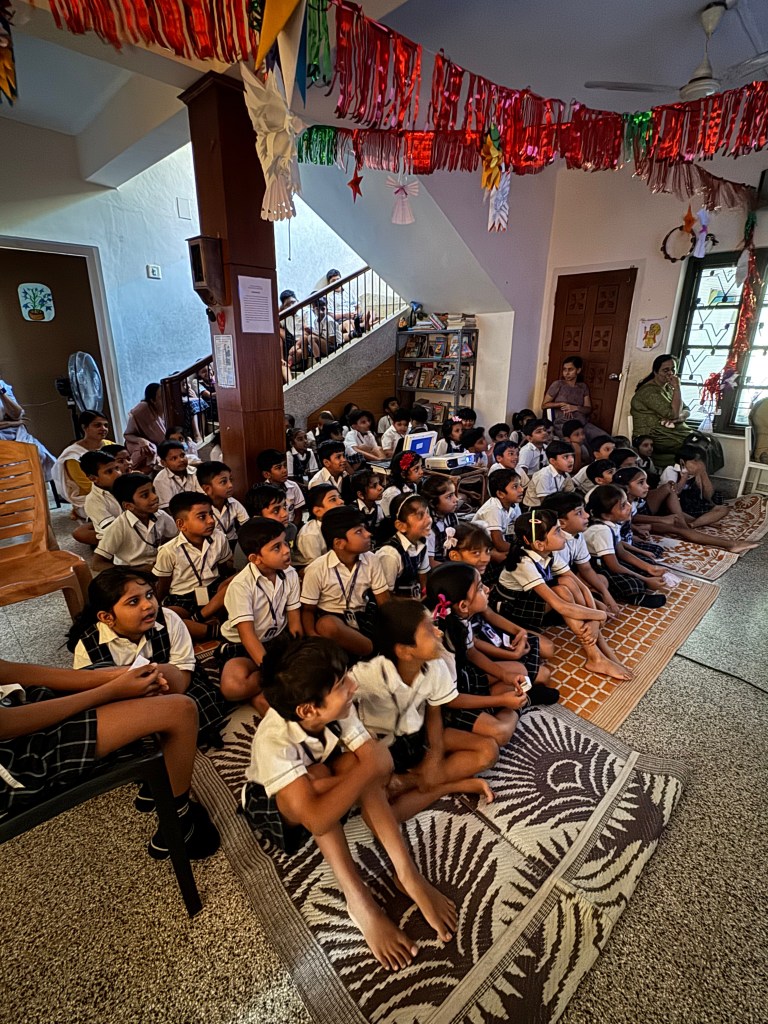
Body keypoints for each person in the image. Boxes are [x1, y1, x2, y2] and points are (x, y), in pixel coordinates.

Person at [242, 636, 456, 969]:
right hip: (275, 806)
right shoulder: (274, 742)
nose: (353, 685)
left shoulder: (337, 708)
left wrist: (367, 770)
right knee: (333, 781)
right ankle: (359, 902)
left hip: (318, 775)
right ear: (308, 709)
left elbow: (379, 763)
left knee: (344, 770)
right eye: (342, 683)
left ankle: (407, 873)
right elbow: (317, 819)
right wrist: (367, 771)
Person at [0, 656, 219, 860]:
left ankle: (155, 786)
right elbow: (7, 725)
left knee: (165, 674)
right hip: (13, 761)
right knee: (181, 711)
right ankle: (177, 825)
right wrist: (111, 690)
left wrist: (114, 676)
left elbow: (5, 670)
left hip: (12, 703)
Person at [350, 601, 497, 817]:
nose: (439, 632)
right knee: (387, 813)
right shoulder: (369, 674)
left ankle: (408, 782)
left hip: (418, 736)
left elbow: (434, 712)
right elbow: (340, 705)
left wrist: (434, 758)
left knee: (488, 750)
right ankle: (446, 785)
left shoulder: (435, 664)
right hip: (384, 747)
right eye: (429, 630)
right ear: (405, 651)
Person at [68, 568, 226, 747]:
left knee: (200, 699)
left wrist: (162, 693)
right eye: (134, 602)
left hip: (172, 686)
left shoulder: (169, 619)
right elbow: (95, 695)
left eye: (149, 595)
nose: (148, 605)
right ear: (107, 617)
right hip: (124, 701)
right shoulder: (88, 648)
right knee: (113, 732)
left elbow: (183, 669)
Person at [493, 509, 632, 679]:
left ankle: (602, 650)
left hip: (530, 599)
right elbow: (560, 606)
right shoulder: (524, 563)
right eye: (558, 531)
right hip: (511, 609)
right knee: (562, 592)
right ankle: (595, 657)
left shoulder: (549, 553)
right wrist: (599, 615)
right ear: (539, 544)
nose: (563, 535)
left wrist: (594, 620)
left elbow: (581, 586)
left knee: (567, 582)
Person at [424, 564, 530, 746]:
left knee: (518, 671)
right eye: (480, 587)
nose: (487, 589)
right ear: (463, 605)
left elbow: (471, 652)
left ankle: (500, 704)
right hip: (443, 703)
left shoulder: (457, 619)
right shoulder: (441, 642)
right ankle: (511, 706)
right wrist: (501, 700)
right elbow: (451, 700)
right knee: (501, 733)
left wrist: (504, 675)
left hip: (461, 679)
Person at [446, 522, 556, 690]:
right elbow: (472, 644)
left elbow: (489, 614)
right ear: (455, 555)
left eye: (487, 551)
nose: (485, 558)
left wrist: (520, 631)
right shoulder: (453, 586)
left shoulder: (474, 575)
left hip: (487, 631)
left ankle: (515, 682)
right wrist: (510, 655)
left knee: (548, 649)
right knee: (542, 675)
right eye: (476, 553)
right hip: (474, 648)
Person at [218, 517, 302, 706]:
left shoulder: (290, 574)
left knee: (312, 663)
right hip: (243, 645)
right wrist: (272, 672)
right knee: (233, 687)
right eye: (276, 547)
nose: (286, 550)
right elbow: (248, 636)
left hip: (277, 640)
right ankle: (270, 681)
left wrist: (299, 652)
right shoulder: (241, 586)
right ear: (255, 559)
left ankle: (263, 690)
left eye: (285, 543)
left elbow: (295, 622)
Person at [300, 506, 389, 658]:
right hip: (333, 618)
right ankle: (370, 652)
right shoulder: (317, 569)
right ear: (339, 543)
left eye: (365, 528)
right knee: (327, 625)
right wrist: (312, 636)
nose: (368, 534)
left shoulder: (371, 559)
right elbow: (308, 610)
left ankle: (367, 651)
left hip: (362, 615)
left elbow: (384, 601)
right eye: (359, 532)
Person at [615, 466, 758, 554]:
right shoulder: (620, 502)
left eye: (645, 482)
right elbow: (632, 519)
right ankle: (731, 545)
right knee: (678, 528)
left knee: (669, 488)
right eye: (641, 483)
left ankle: (686, 523)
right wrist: (662, 520)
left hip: (642, 517)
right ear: (626, 487)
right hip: (636, 524)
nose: (647, 486)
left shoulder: (635, 498)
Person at [153, 493, 233, 642]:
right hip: (183, 597)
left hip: (214, 591)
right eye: (202, 517)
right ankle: (215, 630)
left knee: (233, 583)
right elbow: (163, 586)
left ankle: (198, 622)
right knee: (165, 617)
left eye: (211, 514)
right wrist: (158, 605)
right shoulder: (168, 551)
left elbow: (224, 572)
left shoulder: (219, 538)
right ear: (181, 524)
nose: (211, 520)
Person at [540, 493, 622, 620]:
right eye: (579, 513)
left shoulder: (577, 535)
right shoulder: (553, 544)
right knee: (568, 588)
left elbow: (586, 568)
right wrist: (596, 605)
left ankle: (586, 605)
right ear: (561, 523)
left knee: (602, 580)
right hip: (550, 587)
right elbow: (562, 580)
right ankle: (581, 610)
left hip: (568, 579)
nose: (587, 515)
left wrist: (606, 595)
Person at [583, 486, 668, 607]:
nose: (629, 506)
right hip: (598, 566)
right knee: (630, 583)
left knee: (646, 563)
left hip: (611, 560)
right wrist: (645, 580)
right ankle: (635, 597)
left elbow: (622, 552)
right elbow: (613, 566)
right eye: (623, 506)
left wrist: (649, 568)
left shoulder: (612, 523)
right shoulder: (601, 530)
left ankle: (643, 580)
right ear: (606, 515)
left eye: (627, 502)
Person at [93, 474, 177, 573]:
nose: (154, 497)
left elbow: (176, 535)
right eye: (145, 495)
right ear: (129, 506)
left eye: (153, 491)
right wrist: (136, 570)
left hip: (157, 566)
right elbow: (97, 564)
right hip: (130, 571)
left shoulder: (160, 515)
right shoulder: (118, 527)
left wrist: (164, 553)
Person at [630, 355, 692, 468]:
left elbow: (686, 409)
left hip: (668, 430)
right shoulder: (648, 392)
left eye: (673, 369)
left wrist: (679, 418)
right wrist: (677, 388)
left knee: (704, 441)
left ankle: (694, 476)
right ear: (655, 372)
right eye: (665, 370)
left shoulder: (667, 388)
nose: (670, 373)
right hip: (652, 434)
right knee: (692, 446)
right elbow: (673, 414)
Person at [53, 410, 111, 519]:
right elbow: (88, 487)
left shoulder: (111, 446)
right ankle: (78, 512)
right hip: (88, 498)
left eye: (106, 425)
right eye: (97, 425)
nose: (103, 429)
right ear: (84, 427)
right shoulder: (73, 456)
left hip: (114, 489)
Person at [376, 494, 431, 597]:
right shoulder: (390, 554)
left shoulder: (422, 542)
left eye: (428, 513)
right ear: (401, 526)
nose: (429, 520)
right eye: (420, 515)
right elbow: (386, 597)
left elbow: (423, 576)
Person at [0, 376, 55, 479]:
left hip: (16, 433)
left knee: (39, 455)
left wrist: (2, 393)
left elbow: (17, 415)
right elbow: (17, 421)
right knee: (12, 465)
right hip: (3, 437)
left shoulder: (2, 385)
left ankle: (39, 485)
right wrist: (11, 423)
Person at [472, 468, 524, 561]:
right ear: (500, 494)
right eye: (515, 487)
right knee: (508, 556)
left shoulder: (514, 504)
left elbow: (520, 529)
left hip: (497, 541)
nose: (521, 489)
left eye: (520, 485)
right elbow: (499, 544)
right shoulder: (493, 509)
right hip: (479, 546)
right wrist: (523, 550)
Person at [197, 461, 249, 549]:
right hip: (213, 547)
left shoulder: (234, 503)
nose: (230, 485)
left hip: (234, 543)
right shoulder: (201, 509)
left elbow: (247, 526)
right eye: (223, 482)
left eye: (230, 480)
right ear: (207, 489)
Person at [293, 483, 344, 568]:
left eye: (340, 497)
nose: (341, 502)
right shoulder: (311, 535)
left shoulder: (343, 524)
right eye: (333, 499)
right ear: (318, 511)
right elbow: (317, 568)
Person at [80, 450, 123, 546]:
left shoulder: (123, 485)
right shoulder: (93, 501)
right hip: (116, 537)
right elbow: (113, 531)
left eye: (117, 468)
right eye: (109, 471)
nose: (118, 474)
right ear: (93, 478)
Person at [542, 356, 593, 433]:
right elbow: (544, 405)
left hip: (581, 422)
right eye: (564, 369)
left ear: (578, 370)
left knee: (602, 437)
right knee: (575, 437)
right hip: (562, 423)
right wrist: (561, 404)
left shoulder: (583, 387)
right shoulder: (558, 384)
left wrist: (575, 408)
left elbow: (588, 409)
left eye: (570, 369)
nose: (567, 373)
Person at [123, 383, 166, 473]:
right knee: (149, 448)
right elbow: (127, 435)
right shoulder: (143, 409)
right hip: (137, 443)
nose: (165, 399)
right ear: (153, 400)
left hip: (157, 446)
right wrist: (141, 440)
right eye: (161, 397)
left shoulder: (165, 410)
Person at [257, 449, 306, 525]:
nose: (284, 470)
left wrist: (293, 529)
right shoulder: (262, 493)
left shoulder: (293, 486)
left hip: (292, 525)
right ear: (267, 474)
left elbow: (298, 513)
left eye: (285, 466)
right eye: (278, 468)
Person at [153, 440, 204, 511]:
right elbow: (168, 509)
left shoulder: (194, 471)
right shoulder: (160, 480)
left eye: (182, 455)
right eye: (174, 458)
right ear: (163, 463)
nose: (181, 460)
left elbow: (203, 495)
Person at [523, 440, 576, 509]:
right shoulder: (544, 475)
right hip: (537, 509)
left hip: (554, 506)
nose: (571, 460)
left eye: (572, 456)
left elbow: (572, 496)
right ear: (552, 461)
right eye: (565, 457)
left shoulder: (566, 475)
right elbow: (545, 503)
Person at [422, 476, 459, 566]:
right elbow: (431, 563)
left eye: (454, 494)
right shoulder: (429, 528)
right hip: (440, 569)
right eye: (449, 496)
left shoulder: (452, 516)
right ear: (433, 503)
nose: (456, 499)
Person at [343, 467, 385, 543]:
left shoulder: (378, 507)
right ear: (360, 494)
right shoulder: (351, 512)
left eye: (379, 483)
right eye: (374, 486)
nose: (380, 488)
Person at [380, 451, 425, 517]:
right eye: (416, 469)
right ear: (403, 474)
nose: (421, 472)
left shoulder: (413, 485)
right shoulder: (393, 493)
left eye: (421, 467)